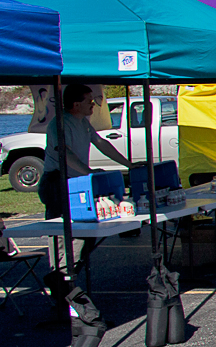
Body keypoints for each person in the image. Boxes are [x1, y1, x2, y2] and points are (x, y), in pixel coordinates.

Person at [38, 84, 138, 302]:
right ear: (76, 104)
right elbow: (66, 155)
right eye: (89, 101)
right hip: (57, 182)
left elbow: (101, 143)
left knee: (88, 232)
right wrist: (90, 173)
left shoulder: (83, 122)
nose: (93, 105)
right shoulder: (60, 124)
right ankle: (60, 283)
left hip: (76, 181)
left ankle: (66, 277)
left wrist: (129, 165)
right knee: (62, 235)